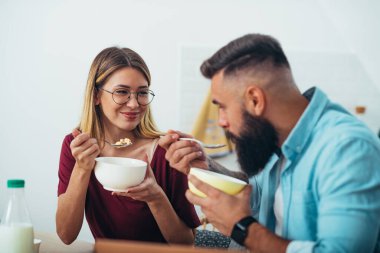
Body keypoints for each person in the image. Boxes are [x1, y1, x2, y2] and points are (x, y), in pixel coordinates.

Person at [159, 34, 380, 252]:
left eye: (223, 106)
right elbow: (254, 194)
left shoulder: (348, 148)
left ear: (255, 100)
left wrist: (241, 228)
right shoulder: (276, 138)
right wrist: (205, 166)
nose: (221, 121)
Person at [56, 47, 200, 245]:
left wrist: (156, 198)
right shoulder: (77, 147)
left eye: (142, 93)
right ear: (96, 96)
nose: (134, 104)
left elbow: (186, 243)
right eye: (122, 92)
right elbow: (66, 235)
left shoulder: (166, 151)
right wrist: (82, 168)